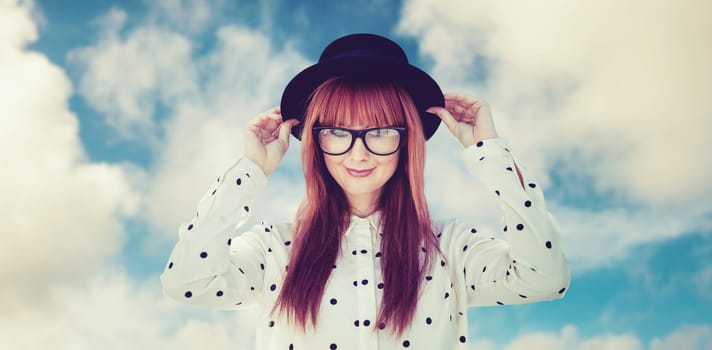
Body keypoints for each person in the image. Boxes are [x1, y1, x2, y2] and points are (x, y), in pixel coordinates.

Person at [160, 33, 570, 350]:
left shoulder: (451, 248)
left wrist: (490, 153)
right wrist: (249, 171)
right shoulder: (275, 248)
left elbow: (545, 278)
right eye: (337, 132)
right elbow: (187, 283)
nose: (358, 152)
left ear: (407, 140)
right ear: (316, 141)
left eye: (380, 132)